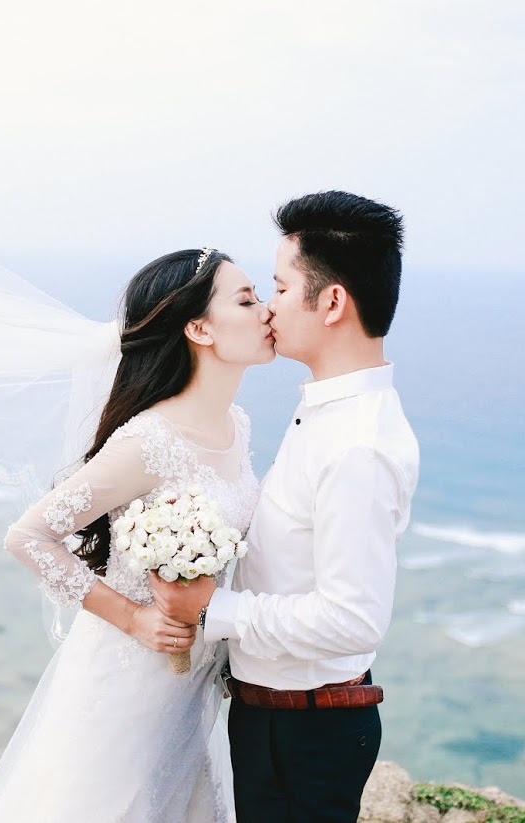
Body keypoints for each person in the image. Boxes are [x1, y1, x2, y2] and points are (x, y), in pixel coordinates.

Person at [0, 247, 275, 822]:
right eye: (246, 300)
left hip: (192, 680)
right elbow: (28, 537)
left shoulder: (237, 424)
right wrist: (133, 617)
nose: (267, 310)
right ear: (199, 328)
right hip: (126, 679)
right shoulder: (149, 441)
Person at [152, 191, 419, 823]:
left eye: (279, 287)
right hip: (276, 719)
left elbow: (354, 621)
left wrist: (211, 609)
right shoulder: (328, 412)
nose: (268, 306)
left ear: (332, 302)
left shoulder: (356, 446)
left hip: (305, 733)